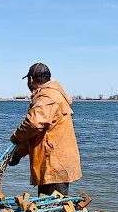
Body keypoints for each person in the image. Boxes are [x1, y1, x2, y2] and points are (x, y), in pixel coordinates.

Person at [9, 62, 82, 195]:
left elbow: (33, 124)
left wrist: (15, 137)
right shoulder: (54, 95)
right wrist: (18, 153)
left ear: (31, 80)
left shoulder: (47, 97)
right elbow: (39, 133)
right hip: (55, 165)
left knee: (52, 209)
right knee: (47, 206)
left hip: (54, 166)